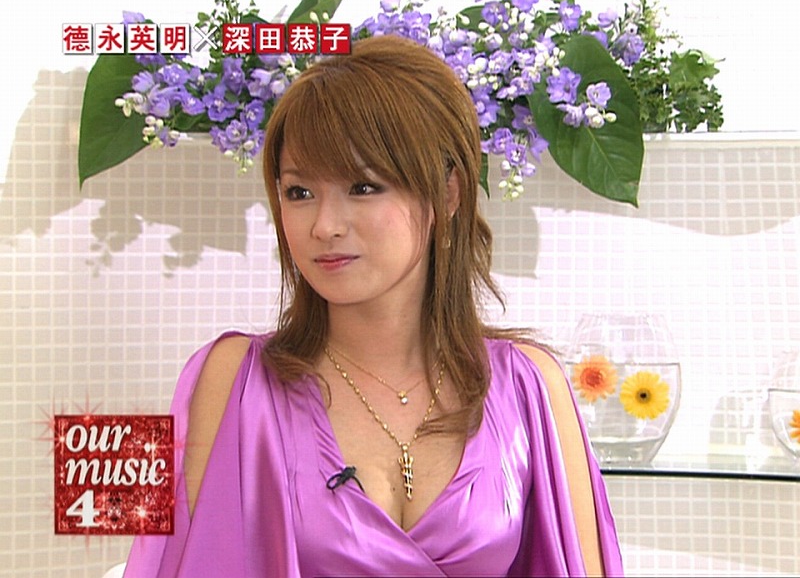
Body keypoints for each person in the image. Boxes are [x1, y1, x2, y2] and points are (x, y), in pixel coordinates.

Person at [123, 35, 623, 577]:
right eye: (298, 192)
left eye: (363, 187)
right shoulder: (231, 382)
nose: (324, 226)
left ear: (448, 193)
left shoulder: (530, 387)